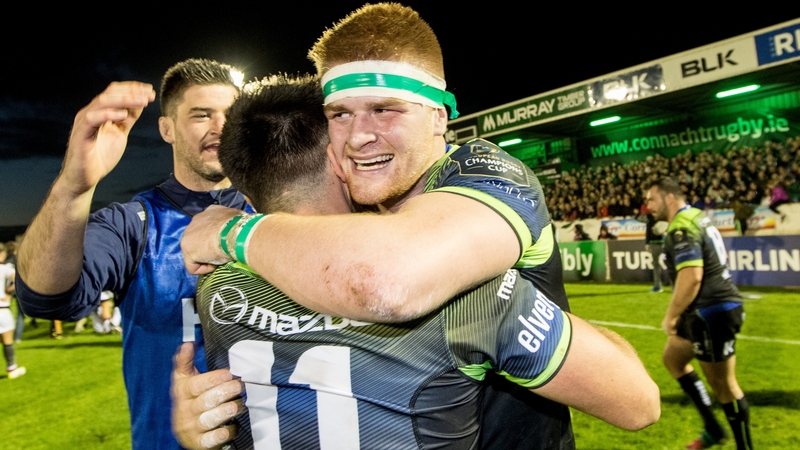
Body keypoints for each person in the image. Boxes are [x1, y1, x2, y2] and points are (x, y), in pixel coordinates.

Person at [175, 74, 659, 449]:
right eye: (345, 122)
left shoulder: (216, 287)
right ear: (341, 160)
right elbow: (638, 403)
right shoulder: (464, 297)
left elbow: (214, 412)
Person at [15, 59, 249, 449]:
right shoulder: (134, 224)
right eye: (201, 114)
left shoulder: (276, 218)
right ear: (167, 128)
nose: (220, 127)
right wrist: (75, 184)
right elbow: (44, 298)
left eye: (231, 114)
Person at [645, 177, 753, 450]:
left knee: (725, 386)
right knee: (673, 359)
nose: (648, 206)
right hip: (702, 310)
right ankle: (714, 428)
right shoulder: (696, 216)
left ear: (669, 198)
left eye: (651, 199)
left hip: (712, 312)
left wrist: (671, 315)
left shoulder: (681, 228)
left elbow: (692, 276)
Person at [0, 243, 25, 379]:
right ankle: (12, 368)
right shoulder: (5, 268)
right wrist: (9, 293)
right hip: (2, 309)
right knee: (7, 341)